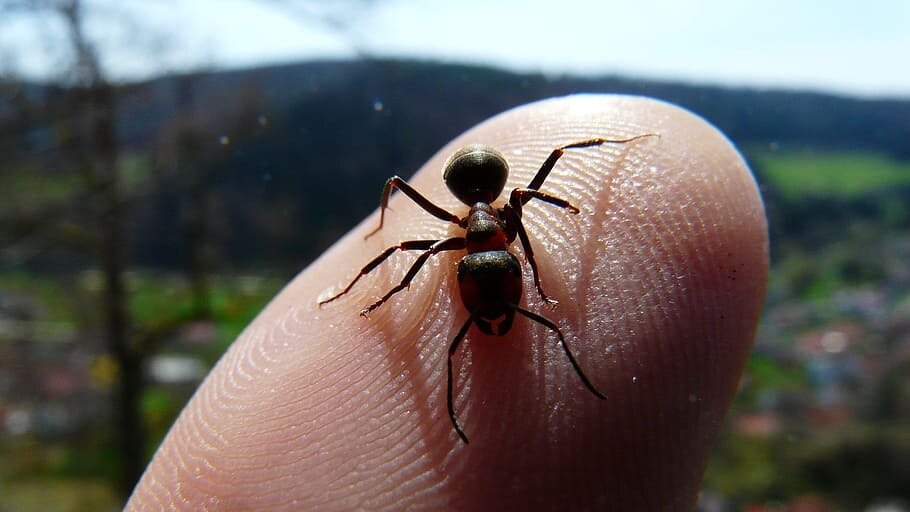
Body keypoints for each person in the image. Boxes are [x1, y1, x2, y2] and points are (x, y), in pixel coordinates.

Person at [126, 95, 768, 510]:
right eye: (499, 278)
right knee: (411, 245)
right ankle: (369, 275)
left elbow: (538, 208)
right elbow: (454, 249)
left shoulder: (506, 227)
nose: (490, 289)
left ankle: (625, 152)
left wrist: (544, 267)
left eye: (503, 277)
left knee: (551, 169)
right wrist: (369, 284)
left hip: (503, 200)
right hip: (476, 205)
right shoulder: (461, 239)